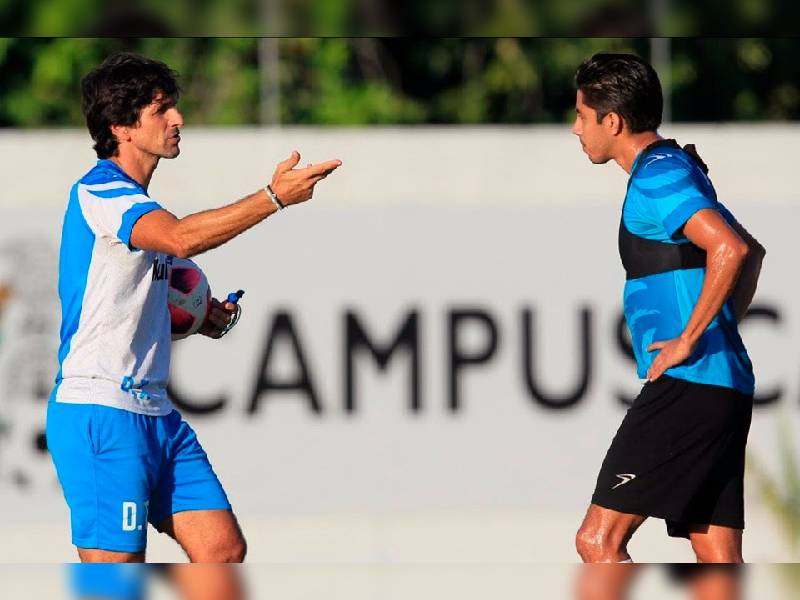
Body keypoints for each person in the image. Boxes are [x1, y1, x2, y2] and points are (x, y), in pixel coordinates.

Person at [46, 52, 341, 563]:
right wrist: (273, 197)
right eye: (161, 110)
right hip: (101, 411)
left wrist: (197, 316)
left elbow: (127, 293)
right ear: (122, 127)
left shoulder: (133, 200)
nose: (177, 119)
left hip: (155, 412)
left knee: (222, 553)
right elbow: (179, 240)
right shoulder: (101, 193)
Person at [571, 53, 765, 563]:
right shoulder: (674, 165)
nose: (576, 129)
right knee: (718, 557)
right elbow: (752, 251)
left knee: (598, 540)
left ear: (612, 121)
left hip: (690, 386)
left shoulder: (658, 173)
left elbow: (733, 249)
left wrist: (690, 339)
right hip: (721, 384)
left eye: (582, 115)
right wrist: (714, 334)